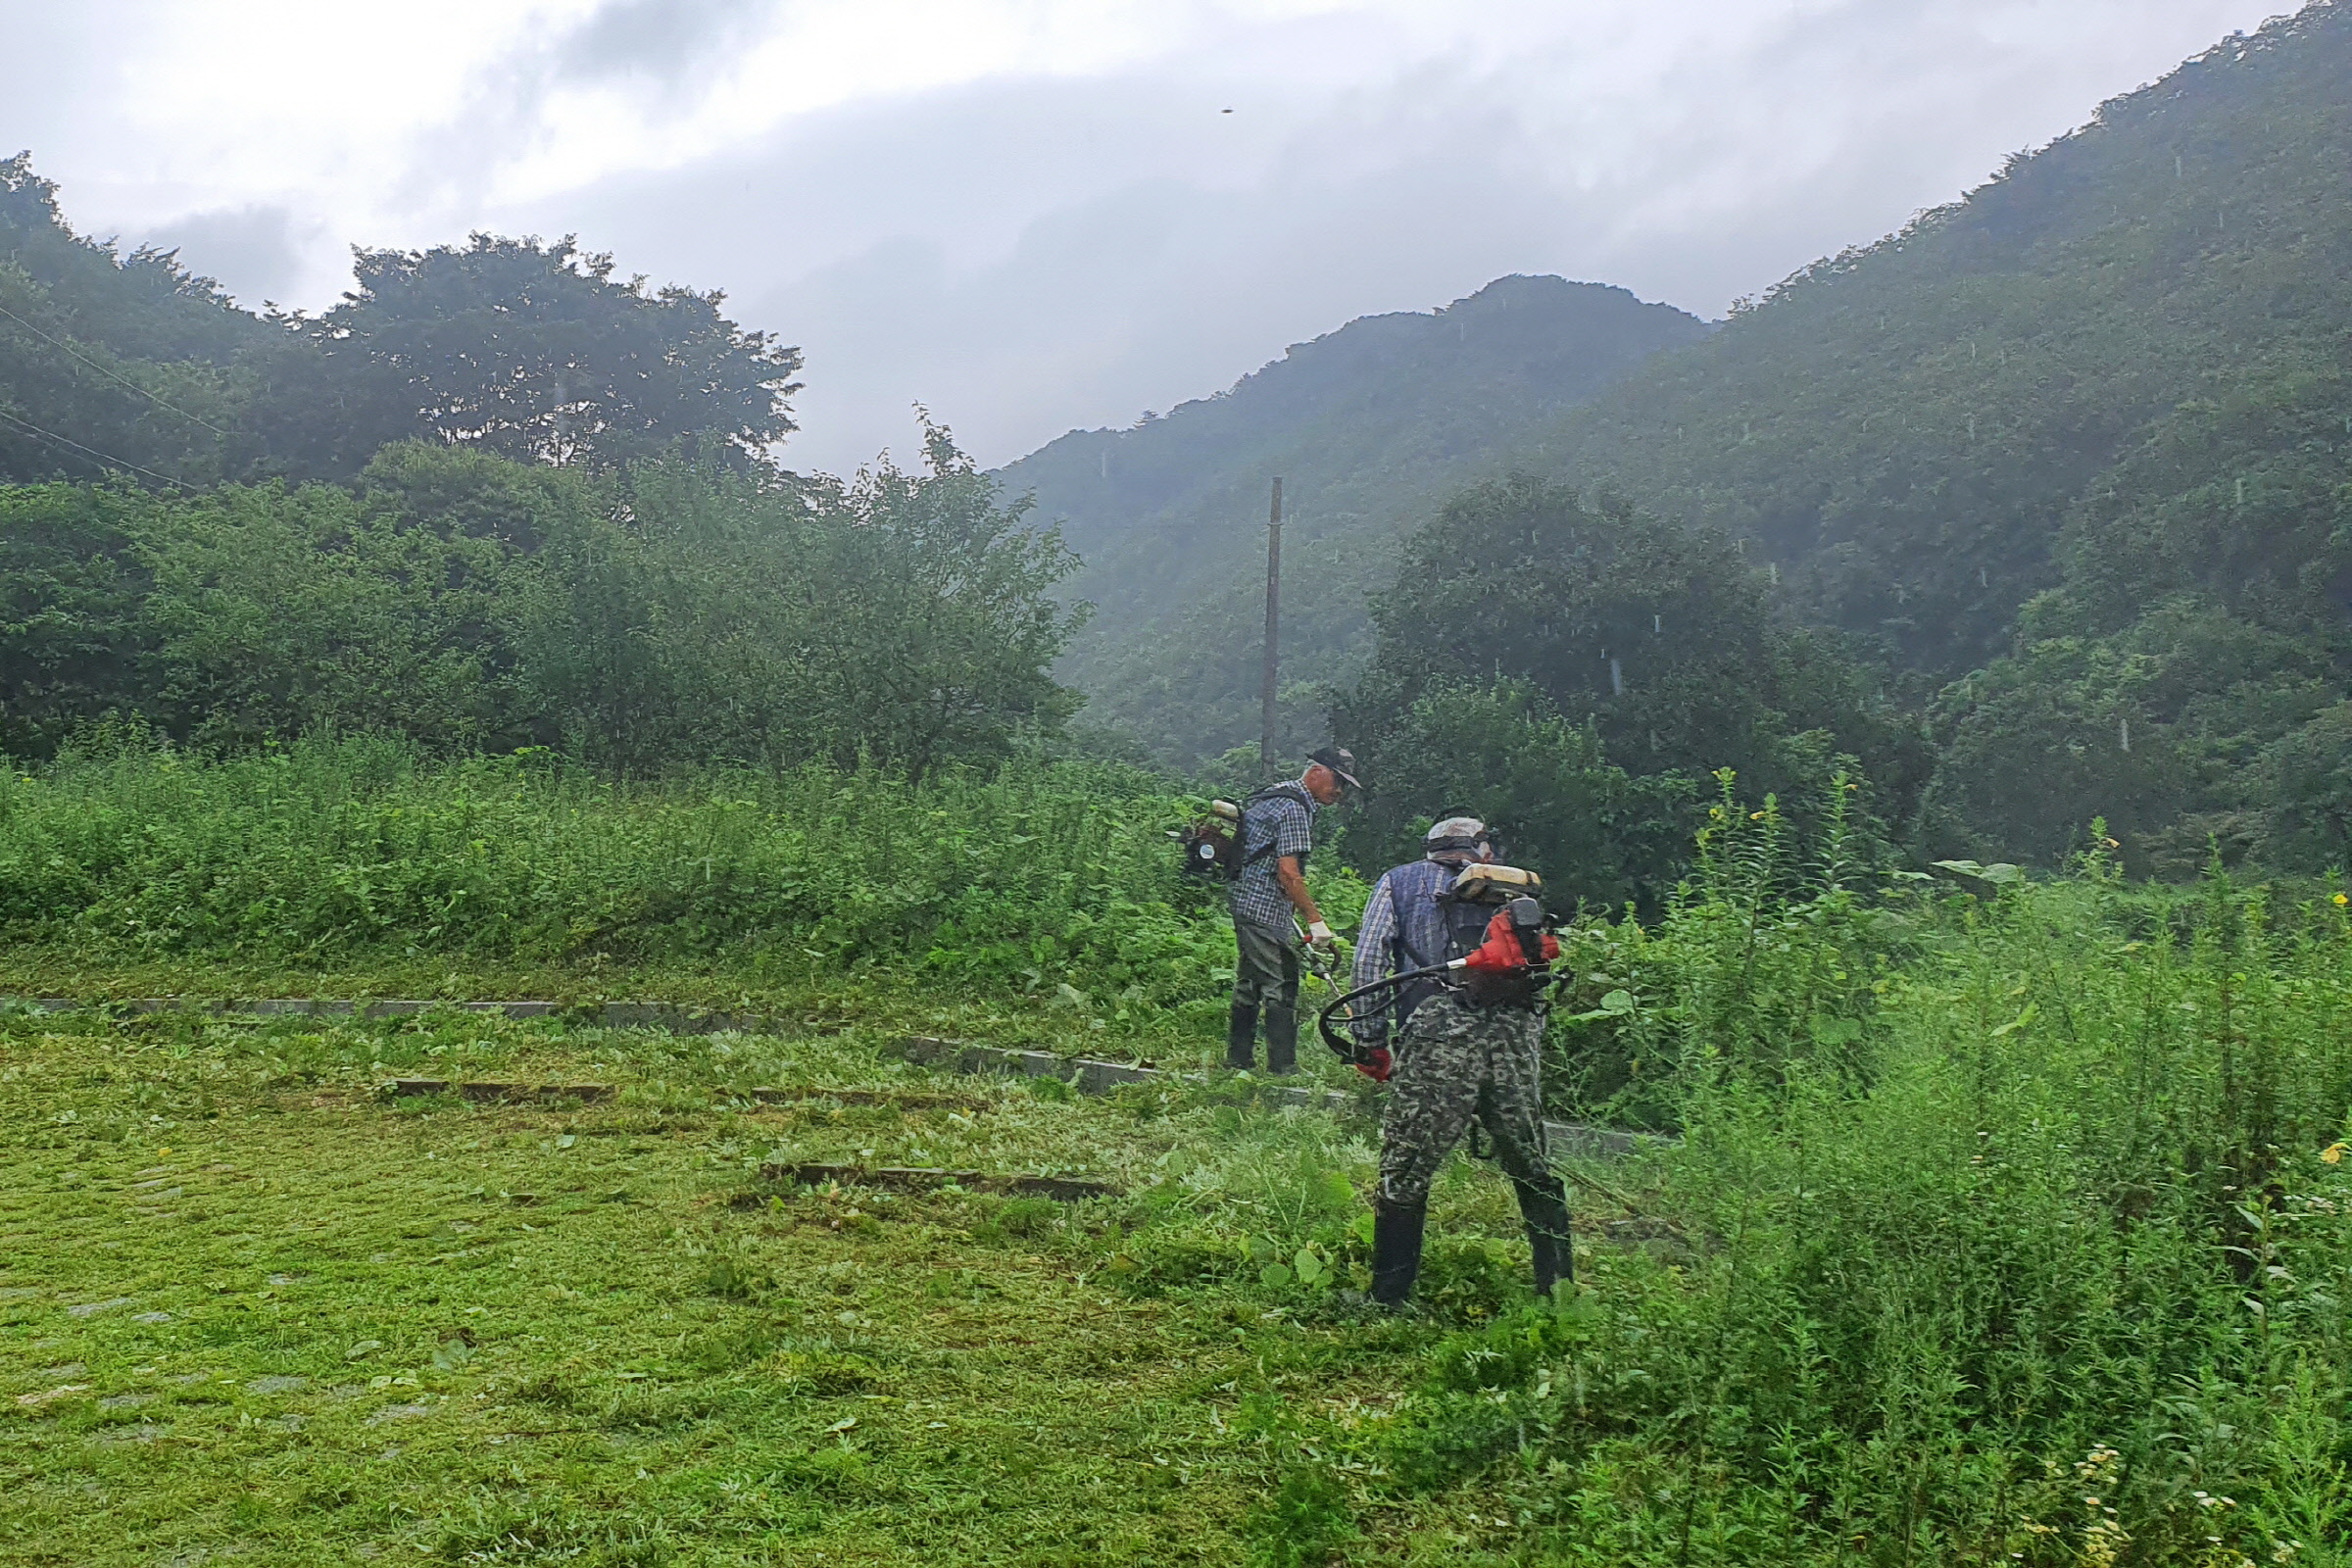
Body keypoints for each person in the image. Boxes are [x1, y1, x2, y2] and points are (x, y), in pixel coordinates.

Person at [1353, 822, 1575, 1308]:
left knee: (1408, 1163)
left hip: (1440, 1033)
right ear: (1481, 850)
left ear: (1431, 850)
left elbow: (1369, 962)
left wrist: (1369, 1044)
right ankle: (1559, 1290)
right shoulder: (1516, 888)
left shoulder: (1400, 881)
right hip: (1516, 1033)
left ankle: (1389, 1296)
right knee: (1530, 1159)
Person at [1226, 746, 1357, 1074]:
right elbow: (1288, 871)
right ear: (1315, 773)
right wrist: (1315, 920)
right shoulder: (1295, 809)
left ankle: (1237, 1059)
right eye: (1336, 780)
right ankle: (1282, 1067)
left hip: (1245, 899)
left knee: (1251, 981)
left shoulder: (1271, 796)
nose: (1339, 790)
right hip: (1263, 906)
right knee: (1282, 981)